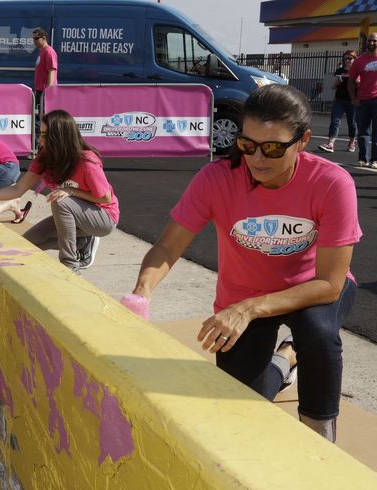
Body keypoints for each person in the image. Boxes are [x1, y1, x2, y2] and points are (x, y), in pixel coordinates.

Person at [126, 85, 360, 442]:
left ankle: (320, 438)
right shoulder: (216, 178)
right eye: (247, 145)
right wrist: (140, 295)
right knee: (241, 402)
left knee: (318, 334)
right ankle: (285, 360)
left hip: (311, 288)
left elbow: (330, 283)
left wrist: (249, 309)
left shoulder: (331, 182)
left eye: (273, 148)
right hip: (244, 292)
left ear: (303, 140)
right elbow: (168, 247)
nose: (258, 159)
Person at [0, 110, 118, 272]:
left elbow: (105, 198)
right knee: (25, 246)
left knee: (61, 201)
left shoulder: (86, 162)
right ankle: (82, 242)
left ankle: (70, 265)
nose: (39, 139)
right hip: (75, 215)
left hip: (103, 217)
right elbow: (18, 189)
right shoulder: (45, 157)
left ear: (59, 137)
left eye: (45, 135)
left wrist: (71, 192)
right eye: (40, 133)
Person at [319, 51, 357, 154]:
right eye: (345, 58)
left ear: (354, 59)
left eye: (349, 58)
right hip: (339, 99)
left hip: (352, 100)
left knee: (352, 123)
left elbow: (361, 85)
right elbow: (333, 86)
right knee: (335, 121)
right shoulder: (340, 71)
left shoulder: (357, 71)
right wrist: (337, 82)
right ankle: (330, 144)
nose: (347, 61)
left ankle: (352, 142)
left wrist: (358, 82)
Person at [349, 32, 377, 167]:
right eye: (370, 41)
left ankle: (375, 160)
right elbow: (351, 81)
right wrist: (353, 98)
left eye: (374, 41)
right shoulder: (359, 61)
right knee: (362, 132)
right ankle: (363, 158)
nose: (372, 43)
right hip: (362, 101)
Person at [32, 27, 58, 122]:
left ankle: (44, 135)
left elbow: (52, 71)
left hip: (45, 91)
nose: (34, 41)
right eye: (33, 39)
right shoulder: (42, 52)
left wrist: (48, 90)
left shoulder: (49, 52)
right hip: (40, 90)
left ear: (43, 38)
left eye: (36, 38)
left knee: (44, 117)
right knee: (39, 115)